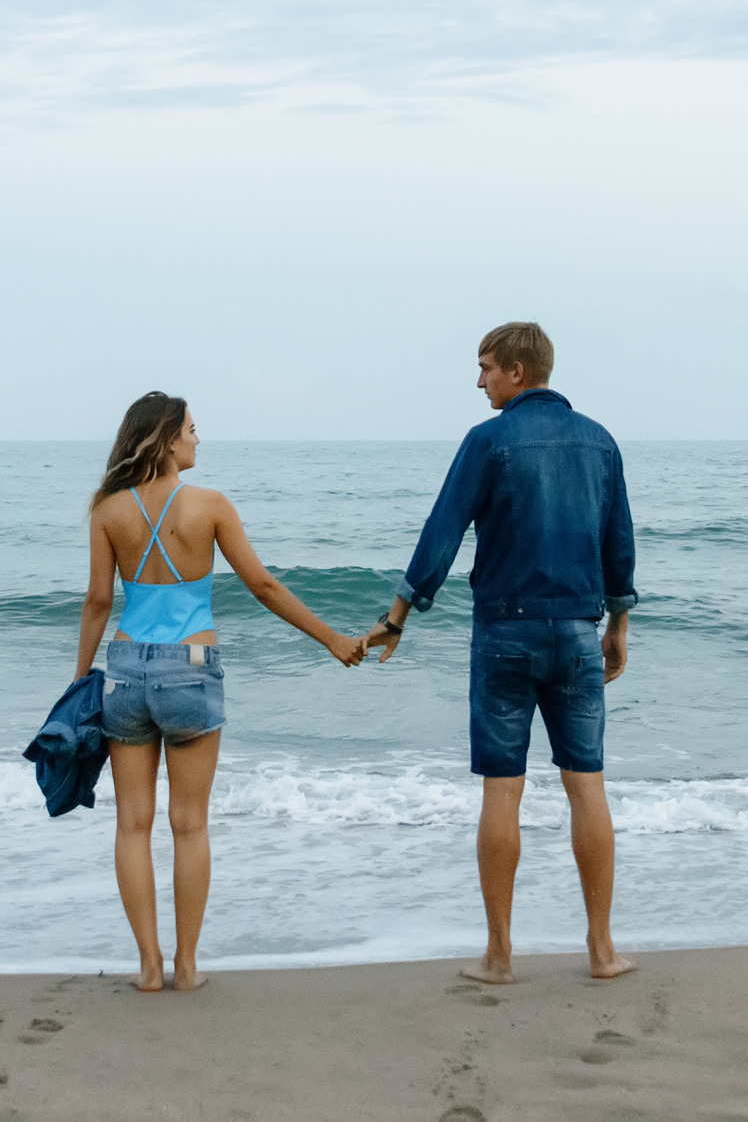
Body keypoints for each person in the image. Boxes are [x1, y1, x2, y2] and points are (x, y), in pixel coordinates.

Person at [365, 322, 639, 984]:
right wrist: (619, 625)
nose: (479, 379)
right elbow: (619, 541)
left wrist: (399, 612)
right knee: (587, 787)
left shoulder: (487, 441)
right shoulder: (600, 441)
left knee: (503, 791)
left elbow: (444, 528)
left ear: (518, 370)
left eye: (486, 366)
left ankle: (499, 955)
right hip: (577, 631)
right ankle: (602, 951)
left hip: (503, 635)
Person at [75, 391, 366, 992]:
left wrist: (81, 681)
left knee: (132, 825)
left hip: (126, 669)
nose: (198, 438)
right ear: (165, 440)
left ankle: (148, 968)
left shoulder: (108, 510)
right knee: (190, 825)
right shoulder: (209, 506)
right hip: (191, 667)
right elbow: (261, 585)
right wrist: (332, 639)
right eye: (190, 428)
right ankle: (185, 967)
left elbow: (100, 602)